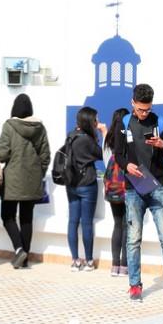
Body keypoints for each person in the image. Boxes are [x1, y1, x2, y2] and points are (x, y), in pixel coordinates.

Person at [115, 83, 163, 302]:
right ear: (132, 103)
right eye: (140, 109)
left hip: (159, 187)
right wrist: (127, 167)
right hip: (134, 188)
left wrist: (162, 144)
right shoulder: (124, 123)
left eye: (147, 109)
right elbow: (118, 154)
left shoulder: (159, 122)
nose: (144, 114)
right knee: (133, 239)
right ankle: (134, 284)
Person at [0, 94, 51, 270]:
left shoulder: (9, 126)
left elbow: (4, 153)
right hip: (32, 179)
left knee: (7, 216)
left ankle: (19, 250)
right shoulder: (40, 127)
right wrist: (38, 172)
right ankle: (24, 258)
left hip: (12, 180)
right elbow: (45, 155)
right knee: (27, 219)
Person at [64, 107, 103, 271]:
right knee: (86, 222)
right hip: (87, 183)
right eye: (95, 120)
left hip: (71, 184)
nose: (97, 122)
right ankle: (88, 261)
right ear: (89, 121)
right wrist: (103, 132)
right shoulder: (87, 139)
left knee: (73, 222)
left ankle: (75, 260)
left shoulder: (71, 136)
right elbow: (103, 154)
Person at [104, 108, 130, 277]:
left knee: (117, 224)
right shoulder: (128, 134)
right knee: (128, 226)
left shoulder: (110, 137)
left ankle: (114, 266)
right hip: (126, 185)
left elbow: (106, 159)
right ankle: (125, 265)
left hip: (112, 185)